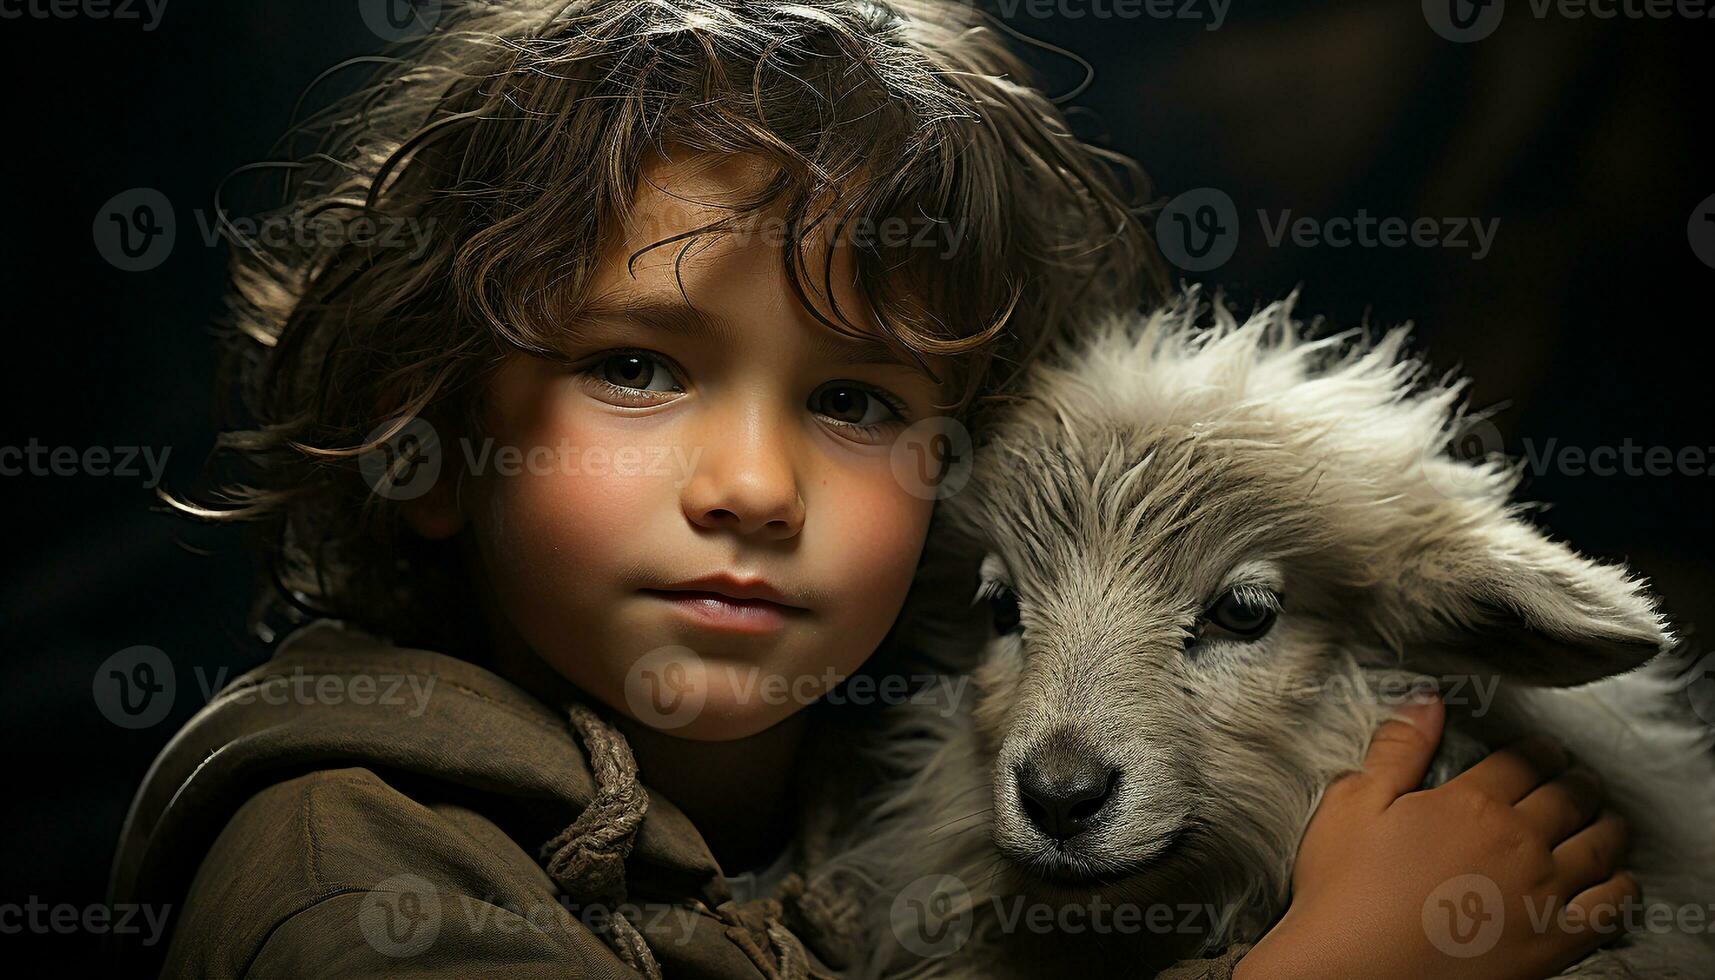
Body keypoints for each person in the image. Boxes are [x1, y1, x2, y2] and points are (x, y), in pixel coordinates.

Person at [109, 2, 1637, 976]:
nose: (757, 484)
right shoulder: (344, 870)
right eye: (639, 367)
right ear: (424, 442)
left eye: (851, 401)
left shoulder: (902, 815)